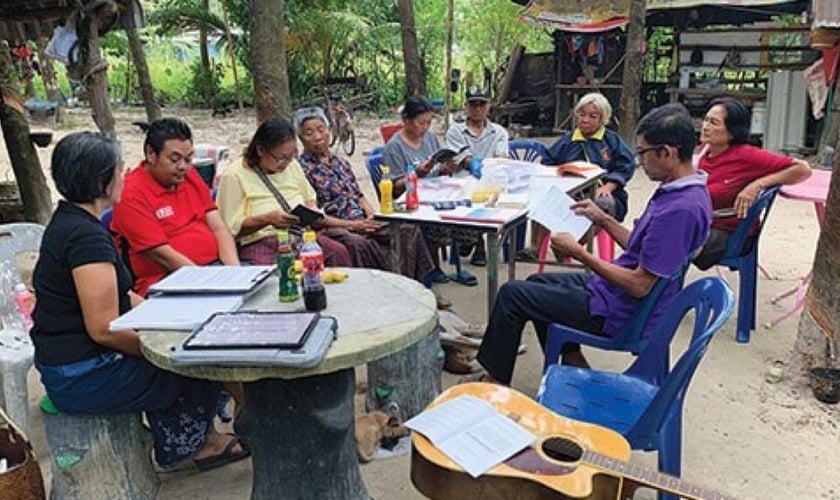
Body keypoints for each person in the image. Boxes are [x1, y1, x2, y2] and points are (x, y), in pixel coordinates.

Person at [31, 131, 250, 471]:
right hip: (81, 375)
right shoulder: (85, 239)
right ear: (102, 180)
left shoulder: (72, 222)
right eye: (118, 170)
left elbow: (123, 297)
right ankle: (197, 446)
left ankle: (198, 435)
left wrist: (169, 318)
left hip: (74, 363)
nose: (123, 176)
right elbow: (103, 330)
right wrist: (164, 348)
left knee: (194, 346)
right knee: (196, 366)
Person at [469, 103, 712, 384]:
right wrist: (604, 220)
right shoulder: (685, 191)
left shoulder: (681, 209)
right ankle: (573, 362)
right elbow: (645, 249)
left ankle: (496, 380)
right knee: (536, 285)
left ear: (667, 153)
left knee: (513, 295)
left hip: (623, 312)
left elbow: (639, 285)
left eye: (643, 153)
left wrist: (581, 254)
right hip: (616, 294)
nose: (640, 161)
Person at [294, 106, 442, 304]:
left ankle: (414, 289)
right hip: (334, 226)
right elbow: (315, 218)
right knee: (360, 244)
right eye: (309, 132)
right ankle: (380, 295)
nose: (318, 136)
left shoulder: (340, 162)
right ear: (301, 138)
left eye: (321, 129)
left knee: (407, 229)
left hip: (360, 219)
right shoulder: (302, 169)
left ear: (330, 131)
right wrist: (355, 226)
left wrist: (373, 217)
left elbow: (360, 196)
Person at [111, 117, 240, 297]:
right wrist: (208, 284)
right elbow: (162, 255)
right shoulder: (131, 194)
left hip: (212, 270)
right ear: (151, 154)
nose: (183, 167)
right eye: (174, 159)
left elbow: (218, 227)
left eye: (188, 159)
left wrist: (236, 274)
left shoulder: (189, 176)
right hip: (167, 281)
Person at [692, 96, 811, 269]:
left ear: (732, 131)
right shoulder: (703, 153)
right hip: (704, 225)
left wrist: (757, 185)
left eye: (714, 123)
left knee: (673, 242)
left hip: (731, 234)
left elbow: (803, 169)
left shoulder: (746, 156)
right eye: (706, 120)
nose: (705, 127)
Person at [216, 117, 353, 266]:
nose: (286, 164)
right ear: (261, 150)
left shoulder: (292, 165)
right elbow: (229, 228)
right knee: (278, 273)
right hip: (262, 241)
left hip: (299, 236)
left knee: (338, 252)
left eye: (290, 157)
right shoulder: (234, 175)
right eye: (280, 159)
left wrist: (311, 211)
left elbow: (309, 198)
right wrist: (266, 219)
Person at [518, 92, 636, 261]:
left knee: (604, 204)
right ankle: (536, 248)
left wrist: (608, 187)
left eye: (592, 116)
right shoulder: (568, 140)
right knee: (542, 197)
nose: (585, 120)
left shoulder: (611, 140)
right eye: (582, 114)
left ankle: (571, 245)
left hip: (604, 193)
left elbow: (626, 165)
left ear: (602, 119)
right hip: (570, 193)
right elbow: (548, 162)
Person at [382, 95, 480, 284]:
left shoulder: (430, 138)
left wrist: (447, 167)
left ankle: (450, 262)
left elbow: (438, 168)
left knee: (467, 212)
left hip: (437, 192)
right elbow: (395, 188)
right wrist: (416, 175)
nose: (425, 127)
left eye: (428, 122)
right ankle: (430, 269)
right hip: (413, 201)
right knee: (436, 224)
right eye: (421, 123)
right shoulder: (395, 147)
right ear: (406, 121)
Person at [445, 85, 510, 266]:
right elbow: (462, 158)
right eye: (473, 104)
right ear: (467, 107)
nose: (478, 108)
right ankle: (477, 242)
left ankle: (474, 240)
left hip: (491, 177)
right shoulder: (456, 131)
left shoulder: (499, 132)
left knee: (494, 196)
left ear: (489, 106)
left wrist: (487, 169)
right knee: (467, 194)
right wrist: (474, 164)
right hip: (463, 179)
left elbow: (501, 158)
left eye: (482, 104)